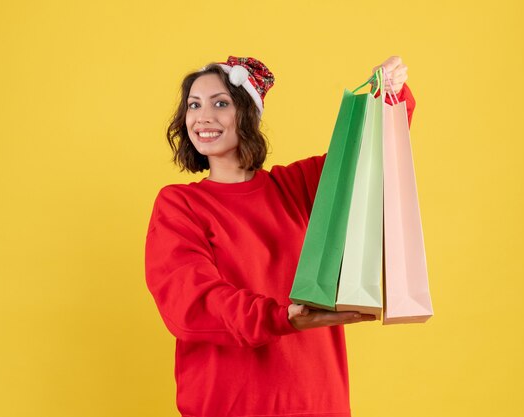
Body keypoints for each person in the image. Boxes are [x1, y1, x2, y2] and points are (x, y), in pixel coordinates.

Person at [145, 55, 415, 417]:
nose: (202, 117)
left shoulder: (296, 186)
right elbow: (191, 302)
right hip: (230, 407)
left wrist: (389, 95)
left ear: (248, 116)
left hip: (318, 403)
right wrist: (281, 316)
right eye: (193, 105)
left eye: (220, 103)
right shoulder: (180, 205)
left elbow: (367, 153)